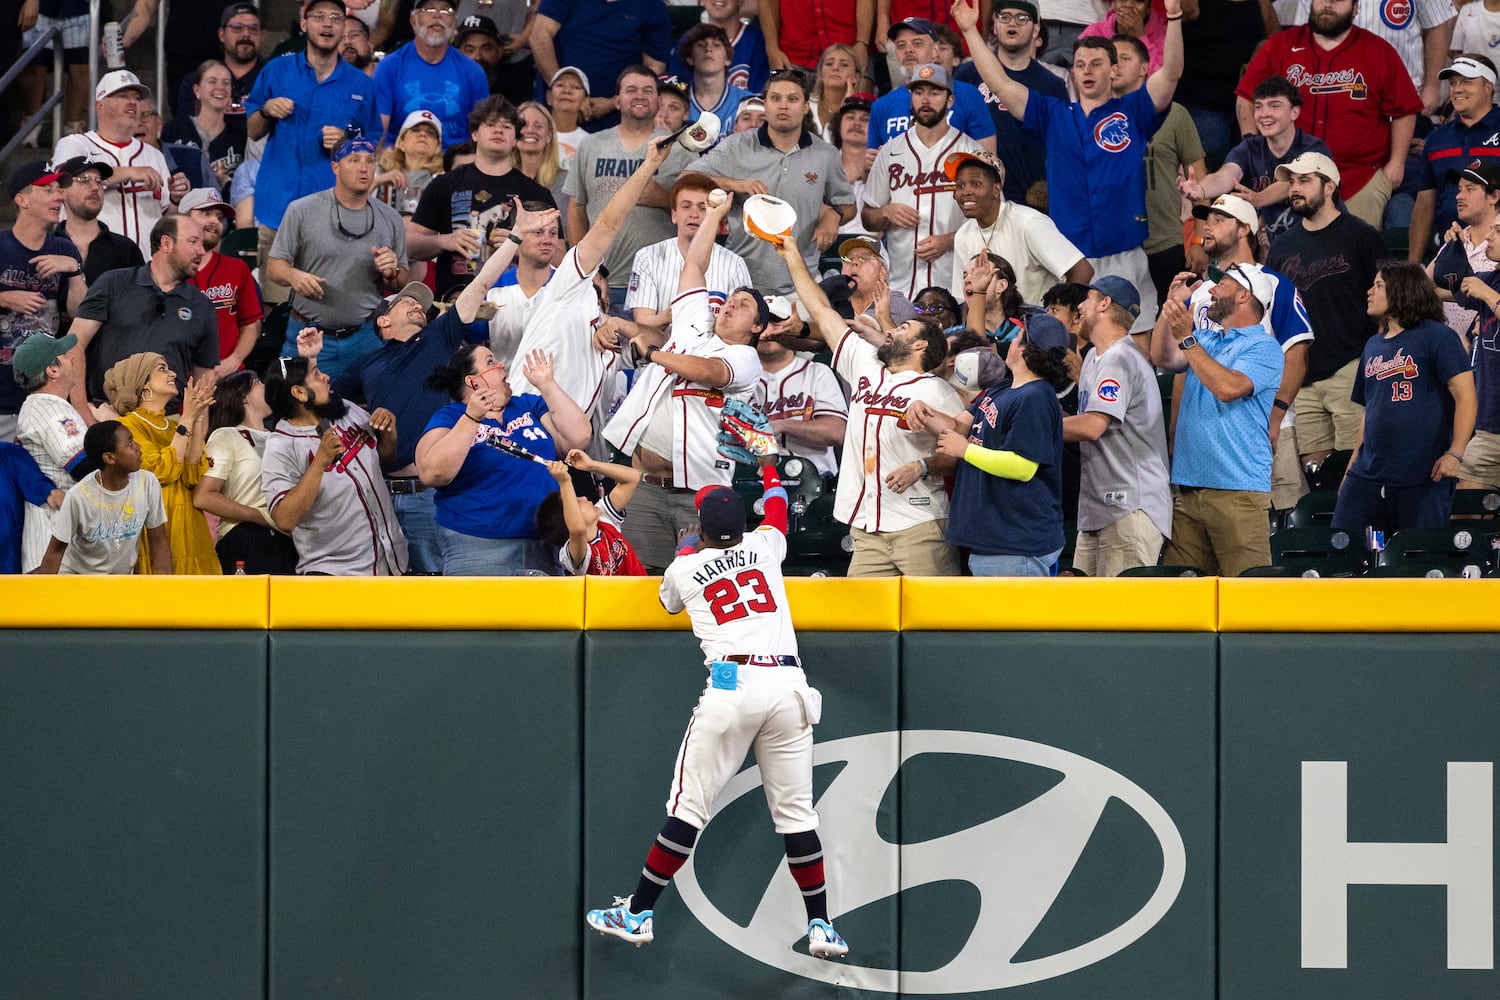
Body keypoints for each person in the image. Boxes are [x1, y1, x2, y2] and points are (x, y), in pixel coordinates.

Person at [583, 456, 850, 962]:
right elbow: (775, 509)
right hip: (790, 687)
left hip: (733, 686)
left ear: (701, 526)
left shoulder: (685, 566)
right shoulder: (765, 544)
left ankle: (638, 912)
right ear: (740, 524)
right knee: (797, 816)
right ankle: (821, 925)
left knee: (687, 810)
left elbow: (668, 602)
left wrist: (689, 544)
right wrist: (770, 466)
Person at [955, 0, 1184, 335]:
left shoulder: (1134, 111)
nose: (1087, 70)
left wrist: (1175, 18)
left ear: (1114, 71)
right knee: (1068, 350)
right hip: (1069, 258)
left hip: (1124, 254)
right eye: (1080, 64)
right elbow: (1001, 84)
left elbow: (1173, 73)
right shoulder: (1053, 114)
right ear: (1072, 72)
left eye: (1096, 63)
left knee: (1135, 345)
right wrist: (968, 30)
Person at [777, 234, 965, 576]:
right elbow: (820, 308)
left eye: (902, 327)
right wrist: (791, 254)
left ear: (921, 344)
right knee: (860, 627)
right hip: (866, 530)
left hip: (919, 526)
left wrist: (920, 467)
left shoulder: (938, 391)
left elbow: (958, 456)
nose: (890, 330)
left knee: (935, 625)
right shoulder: (864, 362)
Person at [601, 187, 766, 570]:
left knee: (703, 581)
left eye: (743, 306)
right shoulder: (694, 323)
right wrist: (714, 213)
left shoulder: (745, 358)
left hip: (700, 492)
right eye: (729, 299)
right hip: (643, 486)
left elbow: (707, 371)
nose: (730, 305)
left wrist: (656, 354)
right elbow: (694, 265)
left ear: (756, 326)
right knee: (637, 582)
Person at [1234, 0, 1422, 229]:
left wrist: (1396, 162)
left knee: (1354, 254)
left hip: (1360, 176)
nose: (1329, 4)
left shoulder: (1378, 50)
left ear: (1355, 9)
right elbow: (1246, 97)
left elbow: (1404, 110)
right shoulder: (1281, 45)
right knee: (1288, 256)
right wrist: (1252, 147)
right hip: (1289, 175)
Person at [911, 313, 1071, 575]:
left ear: (1026, 351)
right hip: (995, 542)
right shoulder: (1004, 388)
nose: (1011, 341)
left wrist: (964, 450)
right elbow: (956, 428)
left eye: (1018, 337)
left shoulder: (1036, 397)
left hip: (1016, 545)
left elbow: (1022, 466)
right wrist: (923, 412)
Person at [1152, 262, 1285, 576]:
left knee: (1247, 597)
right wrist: (1170, 306)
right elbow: (1162, 357)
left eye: (1221, 283)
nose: (1210, 290)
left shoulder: (1264, 346)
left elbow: (1229, 388)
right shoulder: (1207, 340)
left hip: (1237, 490)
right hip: (1188, 489)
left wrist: (1188, 339)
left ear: (1242, 296)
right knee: (1185, 602)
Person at [244, 0, 381, 303]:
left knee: (327, 310)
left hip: (334, 218)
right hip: (278, 210)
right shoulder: (277, 71)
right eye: (318, 17)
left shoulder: (360, 83)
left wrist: (347, 138)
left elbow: (371, 141)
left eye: (335, 18)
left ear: (345, 28)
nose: (327, 24)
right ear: (304, 24)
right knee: (277, 310)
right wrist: (266, 110)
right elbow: (253, 130)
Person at [1266, 152, 1391, 477]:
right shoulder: (1282, 246)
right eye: (1292, 181)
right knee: (1317, 475)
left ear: (1330, 185)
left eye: (1304, 180)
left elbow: (1390, 300)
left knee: (1358, 469)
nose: (1295, 188)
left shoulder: (1361, 235)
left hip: (1351, 368)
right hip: (1303, 377)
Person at [414, 345, 591, 574]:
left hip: (545, 544)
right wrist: (472, 417)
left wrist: (547, 384)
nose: (502, 365)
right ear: (473, 382)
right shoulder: (451, 416)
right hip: (477, 545)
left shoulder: (528, 404)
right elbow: (432, 472)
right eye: (490, 362)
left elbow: (579, 437)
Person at [1330, 263, 1475, 538]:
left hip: (1424, 473)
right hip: (1368, 474)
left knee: (1418, 558)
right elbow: (1370, 411)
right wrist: (1351, 469)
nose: (1370, 292)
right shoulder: (1373, 344)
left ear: (1402, 290)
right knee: (1348, 550)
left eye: (1379, 285)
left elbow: (1466, 397)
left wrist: (1455, 453)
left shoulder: (1439, 336)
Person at [685, 71, 856, 293]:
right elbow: (685, 180)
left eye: (792, 99)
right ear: (765, 105)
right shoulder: (737, 145)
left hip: (801, 283)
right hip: (740, 280)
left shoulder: (825, 154)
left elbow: (848, 205)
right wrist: (734, 183)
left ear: (806, 107)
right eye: (775, 98)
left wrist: (834, 216)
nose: (783, 106)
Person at [269, 135, 410, 381]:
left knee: (367, 413)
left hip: (366, 337)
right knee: (287, 404)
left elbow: (402, 282)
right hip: (307, 335)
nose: (363, 167)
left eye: (369, 161)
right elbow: (273, 268)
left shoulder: (391, 218)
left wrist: (393, 271)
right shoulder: (301, 210)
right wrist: (293, 275)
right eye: (354, 160)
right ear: (335, 166)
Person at [260, 355, 408, 576]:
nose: (326, 376)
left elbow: (385, 457)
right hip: (334, 574)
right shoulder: (280, 446)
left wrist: (389, 431)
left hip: (390, 561)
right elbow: (284, 519)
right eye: (316, 374)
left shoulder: (346, 409)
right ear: (299, 393)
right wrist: (319, 463)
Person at [1064, 277, 1172, 575]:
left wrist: (1038, 425)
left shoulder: (1120, 358)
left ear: (1105, 303)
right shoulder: (1093, 360)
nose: (1080, 307)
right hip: (1100, 507)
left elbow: (1092, 427)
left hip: (1130, 507)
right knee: (1091, 618)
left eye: (1087, 299)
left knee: (1121, 617)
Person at [408, 96, 557, 300]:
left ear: (515, 139)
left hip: (516, 307)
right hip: (453, 303)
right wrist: (445, 240)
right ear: (475, 134)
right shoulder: (444, 184)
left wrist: (521, 247)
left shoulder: (536, 192)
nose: (498, 130)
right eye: (490, 124)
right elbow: (410, 245)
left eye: (506, 126)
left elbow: (560, 256)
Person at [68, 214, 219, 411]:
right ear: (166, 243)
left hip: (166, 422)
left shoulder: (202, 306)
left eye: (202, 243)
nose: (202, 250)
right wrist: (81, 408)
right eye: (193, 242)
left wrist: (196, 434)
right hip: (108, 416)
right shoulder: (113, 284)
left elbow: (204, 378)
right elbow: (73, 344)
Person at [862, 63, 982, 300]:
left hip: (956, 288)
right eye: (919, 92)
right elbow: (867, 218)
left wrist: (949, 241)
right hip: (901, 287)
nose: (925, 99)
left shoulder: (972, 152)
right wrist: (886, 211)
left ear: (950, 101)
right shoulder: (890, 151)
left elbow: (994, 223)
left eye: (934, 93)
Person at [565, 67, 679, 307]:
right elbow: (576, 208)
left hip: (660, 283)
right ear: (616, 101)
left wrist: (664, 199)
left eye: (648, 90)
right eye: (631, 90)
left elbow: (696, 213)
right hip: (599, 280)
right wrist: (583, 268)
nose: (640, 95)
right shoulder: (590, 145)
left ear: (658, 101)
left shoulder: (679, 149)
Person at [1180, 75, 1335, 245]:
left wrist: (1259, 198)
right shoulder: (1250, 148)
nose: (1264, 114)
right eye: (1259, 106)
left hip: (1319, 244)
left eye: (1274, 106)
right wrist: (1200, 190)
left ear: (1294, 112)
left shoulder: (1315, 149)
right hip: (1274, 245)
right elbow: (1225, 176)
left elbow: (1292, 183)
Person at [102, 352, 219, 574]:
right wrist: (186, 419)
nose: (173, 373)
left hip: (190, 525)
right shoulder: (127, 427)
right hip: (159, 525)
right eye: (162, 369)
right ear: (143, 385)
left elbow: (192, 475)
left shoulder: (175, 428)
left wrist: (199, 415)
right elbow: (161, 471)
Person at [53, 70, 189, 258]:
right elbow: (64, 181)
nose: (132, 102)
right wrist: (129, 173)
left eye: (136, 97)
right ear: (99, 106)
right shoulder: (76, 144)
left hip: (146, 267)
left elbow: (166, 216)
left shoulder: (153, 155)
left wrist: (175, 199)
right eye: (122, 96)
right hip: (90, 262)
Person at [953, 0, 1067, 211]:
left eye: (1022, 18)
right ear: (994, 24)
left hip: (1031, 198)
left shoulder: (1053, 85)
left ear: (1036, 30)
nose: (1012, 23)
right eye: (1004, 16)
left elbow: (1061, 143)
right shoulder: (966, 75)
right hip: (979, 193)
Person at [2, 162, 84, 442]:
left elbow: (79, 312)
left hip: (47, 395)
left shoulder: (64, 249)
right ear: (21, 199)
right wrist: (4, 298)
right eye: (47, 189)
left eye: (58, 190)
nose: (59, 196)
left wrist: (74, 268)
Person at [946, 148, 1091, 306]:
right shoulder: (963, 235)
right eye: (960, 186)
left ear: (996, 190)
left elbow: (1082, 270)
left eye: (975, 184)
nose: (965, 191)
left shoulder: (1028, 222)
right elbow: (965, 300)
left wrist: (1058, 317)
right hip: (989, 327)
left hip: (1033, 325)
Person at [194, 370, 299, 574]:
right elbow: (203, 497)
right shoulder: (227, 435)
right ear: (242, 396)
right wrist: (258, 516)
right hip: (246, 537)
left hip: (288, 541)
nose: (266, 385)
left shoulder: (281, 437)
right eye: (258, 381)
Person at [36, 420, 170, 575]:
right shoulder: (78, 497)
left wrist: (167, 592)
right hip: (79, 581)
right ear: (109, 458)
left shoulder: (148, 483)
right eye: (130, 444)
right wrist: (45, 596)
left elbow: (159, 541)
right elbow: (55, 551)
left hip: (120, 582)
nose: (138, 447)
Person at [627, 172, 754, 331]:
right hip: (662, 350)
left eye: (703, 208)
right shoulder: (647, 257)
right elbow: (642, 323)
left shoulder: (734, 264)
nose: (694, 214)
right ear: (674, 215)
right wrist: (668, 315)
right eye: (686, 206)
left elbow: (742, 328)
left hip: (712, 352)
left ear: (716, 215)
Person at [1284, 0, 1455, 116]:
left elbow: (1438, 23)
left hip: (1402, 98)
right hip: (1334, 94)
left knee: (1399, 165)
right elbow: (1304, 35)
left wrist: (1432, 87)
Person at [1409, 56, 1500, 265]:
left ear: (1488, 87)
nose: (1457, 89)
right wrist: (1413, 266)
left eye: (1467, 82)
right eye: (1453, 83)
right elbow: (1424, 205)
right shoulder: (1437, 139)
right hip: (1451, 250)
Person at [530, 0, 671, 133]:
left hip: (618, 119)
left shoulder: (653, 5)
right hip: (557, 115)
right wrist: (562, 92)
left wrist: (613, 103)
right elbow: (539, 35)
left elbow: (654, 67)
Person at [13, 331, 89, 571]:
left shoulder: (42, 406)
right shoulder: (51, 409)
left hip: (52, 539)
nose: (72, 359)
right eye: (65, 355)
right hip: (56, 541)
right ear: (52, 370)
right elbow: (83, 466)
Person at [868, 17, 997, 154]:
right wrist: (868, 167)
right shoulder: (881, 106)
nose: (908, 50)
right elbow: (873, 166)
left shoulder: (968, 95)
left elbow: (989, 160)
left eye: (917, 43)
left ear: (935, 50)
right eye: (901, 46)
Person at [375, 0, 489, 147]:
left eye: (445, 10)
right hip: (399, 159)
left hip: (455, 162)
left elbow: (483, 130)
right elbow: (378, 131)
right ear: (413, 21)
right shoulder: (388, 67)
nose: (437, 16)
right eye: (429, 9)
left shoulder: (473, 71)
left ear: (454, 23)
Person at [179, 189, 263, 379]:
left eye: (218, 217)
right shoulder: (167, 272)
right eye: (206, 213)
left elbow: (251, 324)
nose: (214, 222)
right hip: (181, 381)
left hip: (230, 379)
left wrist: (234, 360)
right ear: (182, 219)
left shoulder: (236, 268)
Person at [756, 329, 849, 478]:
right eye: (762, 324)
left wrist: (781, 425)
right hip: (751, 482)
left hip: (814, 482)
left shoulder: (817, 372)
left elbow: (836, 432)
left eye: (775, 322)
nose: (768, 332)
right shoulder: (738, 379)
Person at [537, 449, 646, 575]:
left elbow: (632, 478)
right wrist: (565, 481)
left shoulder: (604, 519)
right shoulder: (574, 555)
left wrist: (592, 465)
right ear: (566, 520)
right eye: (577, 502)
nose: (584, 498)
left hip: (643, 593)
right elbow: (578, 529)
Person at [52, 157, 145, 287]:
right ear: (62, 191)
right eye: (84, 181)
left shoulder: (125, 249)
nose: (95, 187)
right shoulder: (46, 246)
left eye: (99, 181)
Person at [162, 60, 249, 193]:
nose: (220, 87)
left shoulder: (240, 135)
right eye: (212, 81)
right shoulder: (175, 129)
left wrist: (226, 182)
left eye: (226, 82)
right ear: (197, 90)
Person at [170, 3, 267, 122]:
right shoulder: (196, 81)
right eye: (237, 28)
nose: (246, 34)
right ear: (222, 34)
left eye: (253, 29)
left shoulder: (274, 77)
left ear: (262, 36)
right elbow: (186, 132)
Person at [667, 0, 771, 94]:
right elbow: (676, 91)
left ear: (741, 1)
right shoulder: (687, 41)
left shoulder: (758, 41)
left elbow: (758, 96)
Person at [759, 0, 870, 75]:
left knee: (856, 108)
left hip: (850, 51)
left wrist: (862, 42)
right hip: (793, 56)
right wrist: (772, 48)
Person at [680, 24, 753, 136]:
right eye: (701, 45)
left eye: (716, 45)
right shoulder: (676, 101)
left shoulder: (747, 102)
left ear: (728, 59)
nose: (708, 49)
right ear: (690, 58)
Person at [376, 110, 447, 218]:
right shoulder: (380, 171)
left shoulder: (444, 179)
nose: (422, 134)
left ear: (438, 148)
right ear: (400, 143)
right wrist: (378, 181)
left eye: (430, 132)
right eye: (415, 129)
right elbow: (355, 204)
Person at [1081, 0, 1168, 71]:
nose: (1129, 5)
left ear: (1149, 9)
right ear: (1114, 4)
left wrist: (1140, 37)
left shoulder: (1163, 37)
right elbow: (1080, 72)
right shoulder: (1094, 32)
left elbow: (1160, 80)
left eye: (1139, 1)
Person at [515, 101, 570, 210]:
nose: (530, 130)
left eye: (538, 126)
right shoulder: (502, 178)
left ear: (549, 136)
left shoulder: (565, 182)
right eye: (523, 125)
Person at [807, 44, 863, 142]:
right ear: (821, 73)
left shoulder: (865, 112)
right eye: (829, 64)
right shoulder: (805, 106)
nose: (835, 68)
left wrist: (848, 107)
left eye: (844, 65)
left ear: (856, 77)